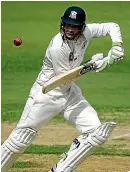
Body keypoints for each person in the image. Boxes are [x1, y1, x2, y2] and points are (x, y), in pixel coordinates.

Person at [1, 6, 124, 172]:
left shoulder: (87, 32)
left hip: (69, 93)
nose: (70, 29)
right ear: (62, 24)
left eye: (74, 26)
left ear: (81, 27)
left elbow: (112, 26)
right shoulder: (57, 46)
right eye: (67, 25)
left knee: (96, 133)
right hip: (46, 94)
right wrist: (96, 65)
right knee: (21, 139)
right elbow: (65, 77)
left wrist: (117, 46)